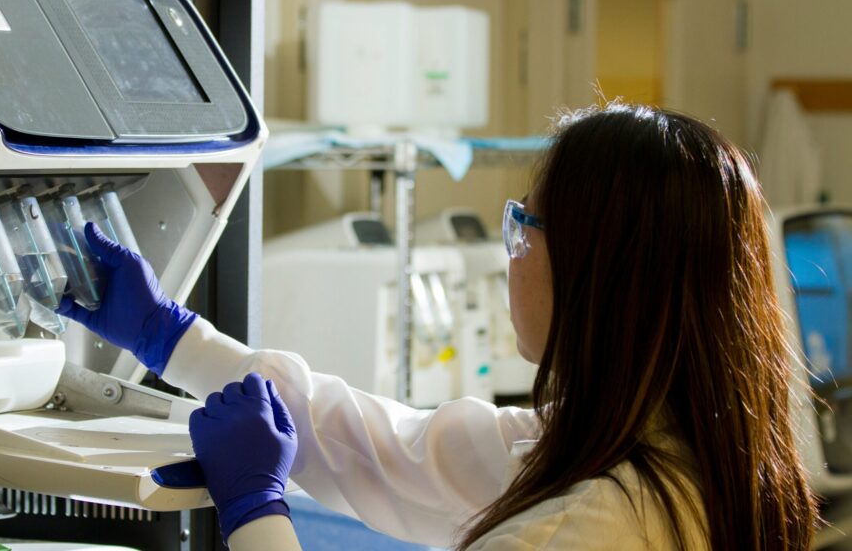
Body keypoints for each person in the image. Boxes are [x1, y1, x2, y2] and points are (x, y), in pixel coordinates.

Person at [58, 103, 819, 550]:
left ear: (597, 274)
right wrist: (172, 337)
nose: (511, 251)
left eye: (525, 227)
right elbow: (386, 448)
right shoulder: (671, 455)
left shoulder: (585, 529)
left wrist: (257, 515)